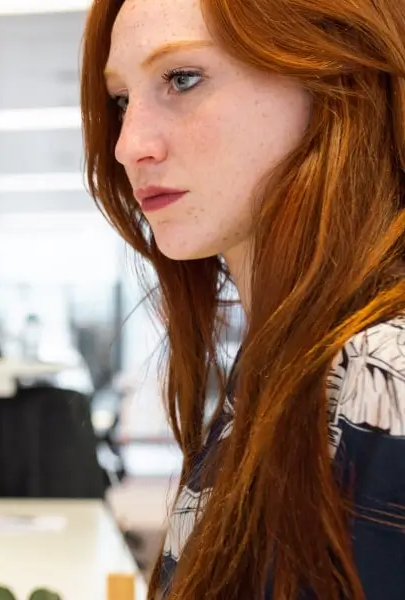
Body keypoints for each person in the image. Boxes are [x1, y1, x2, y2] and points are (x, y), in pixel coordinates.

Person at [80, 0, 405, 598]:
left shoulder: (378, 377)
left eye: (181, 78)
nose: (128, 145)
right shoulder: (281, 363)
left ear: (333, 76)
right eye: (122, 100)